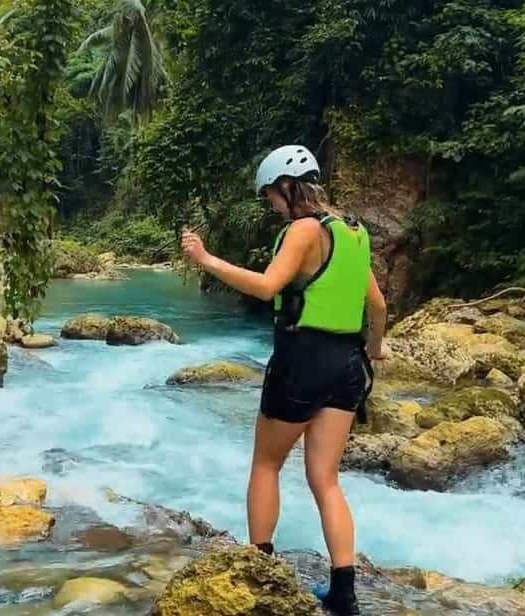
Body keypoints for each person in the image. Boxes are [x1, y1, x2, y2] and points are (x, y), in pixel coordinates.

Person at [180, 145, 387, 616]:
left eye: (271, 195)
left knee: (267, 465)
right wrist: (374, 348)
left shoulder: (303, 229)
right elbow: (377, 305)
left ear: (287, 188)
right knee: (325, 478)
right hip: (348, 364)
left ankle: (260, 571)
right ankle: (344, 595)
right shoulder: (354, 232)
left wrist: (206, 259)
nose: (271, 203)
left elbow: (268, 286)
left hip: (302, 360)